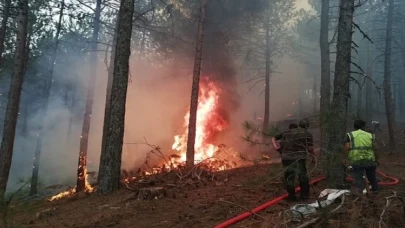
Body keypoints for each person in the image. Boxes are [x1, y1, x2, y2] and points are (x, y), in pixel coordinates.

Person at [280, 119, 314, 201]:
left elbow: (282, 143)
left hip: (286, 158)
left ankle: (291, 196)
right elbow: (310, 148)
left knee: (289, 177)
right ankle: (304, 196)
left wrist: (283, 152)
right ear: (307, 126)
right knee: (302, 176)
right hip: (299, 158)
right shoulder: (307, 134)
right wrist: (313, 157)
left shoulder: (288, 132)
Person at [345, 120, 379, 195]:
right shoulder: (370, 135)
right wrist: (376, 159)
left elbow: (347, 147)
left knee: (358, 177)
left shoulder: (350, 135)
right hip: (370, 159)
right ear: (363, 126)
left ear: (354, 126)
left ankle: (359, 194)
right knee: (372, 176)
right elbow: (375, 148)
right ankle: (375, 191)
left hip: (357, 159)